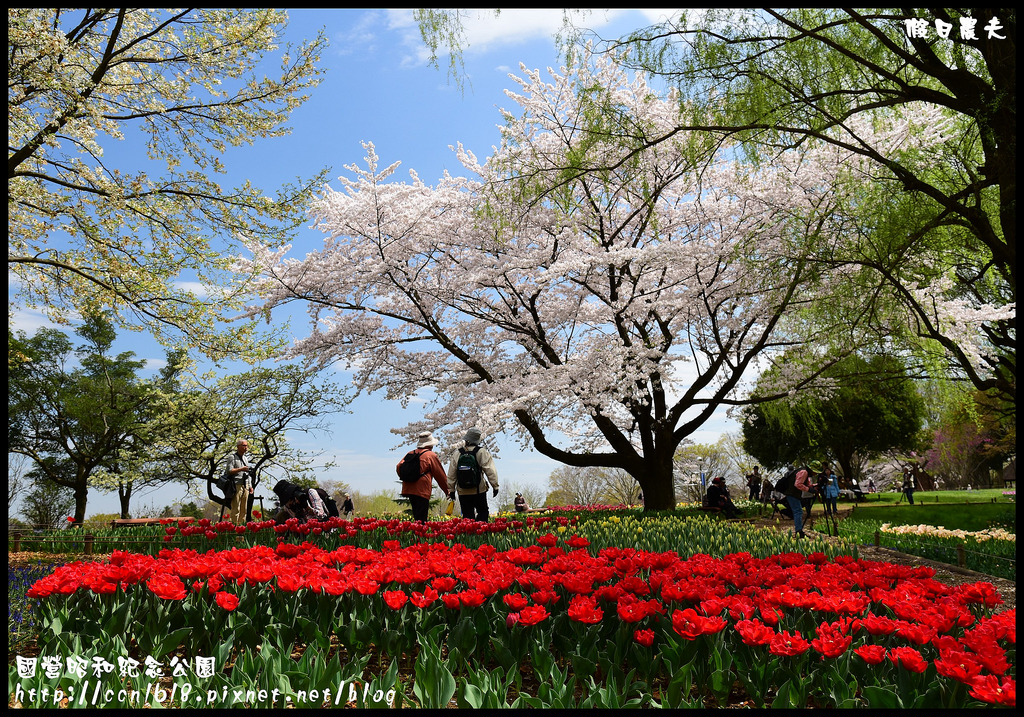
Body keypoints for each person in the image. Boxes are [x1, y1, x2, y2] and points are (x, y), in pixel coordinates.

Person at [447, 427, 500, 522]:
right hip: (479, 489)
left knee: (467, 516)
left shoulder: (457, 453)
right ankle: (482, 534)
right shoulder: (481, 452)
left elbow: (451, 473)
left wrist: (451, 489)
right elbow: (490, 470)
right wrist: (495, 486)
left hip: (462, 490)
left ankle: (469, 535)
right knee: (483, 512)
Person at [397, 431, 450, 522]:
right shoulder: (430, 455)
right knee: (421, 518)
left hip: (409, 488)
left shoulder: (410, 453)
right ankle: (420, 535)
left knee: (416, 514)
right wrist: (448, 491)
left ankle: (416, 533)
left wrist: (407, 478)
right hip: (422, 490)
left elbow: (399, 466)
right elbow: (440, 475)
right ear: (430, 445)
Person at [784, 460, 819, 538]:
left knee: (798, 511)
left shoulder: (805, 473)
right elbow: (798, 484)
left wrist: (814, 486)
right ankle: (799, 531)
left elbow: (807, 484)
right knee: (798, 511)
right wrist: (809, 490)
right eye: (815, 472)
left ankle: (799, 530)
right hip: (792, 493)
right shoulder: (804, 472)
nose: (816, 474)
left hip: (793, 494)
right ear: (812, 470)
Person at [223, 439, 253, 524]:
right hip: (236, 485)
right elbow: (229, 470)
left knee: (244, 509)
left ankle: (241, 527)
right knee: (236, 508)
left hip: (245, 485)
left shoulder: (245, 458)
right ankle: (234, 527)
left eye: (246, 446)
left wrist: (250, 486)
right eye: (244, 446)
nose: (246, 448)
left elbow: (248, 473)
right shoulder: (232, 457)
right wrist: (241, 469)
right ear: (238, 447)